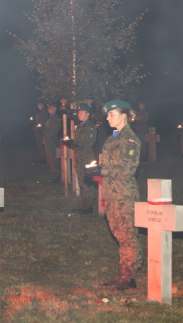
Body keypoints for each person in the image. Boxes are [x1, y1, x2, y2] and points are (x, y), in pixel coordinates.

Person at [87, 100, 141, 290]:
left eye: (112, 114)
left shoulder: (129, 139)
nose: (108, 118)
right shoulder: (112, 139)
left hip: (124, 195)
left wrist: (101, 170)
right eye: (107, 115)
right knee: (119, 234)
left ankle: (128, 276)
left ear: (124, 115)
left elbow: (127, 169)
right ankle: (125, 273)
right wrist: (97, 169)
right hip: (111, 193)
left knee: (127, 236)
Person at [69, 103, 97, 213]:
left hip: (86, 157)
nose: (79, 114)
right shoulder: (81, 126)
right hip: (79, 157)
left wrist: (73, 142)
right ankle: (84, 204)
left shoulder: (90, 127)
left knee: (87, 182)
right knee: (81, 181)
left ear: (87, 114)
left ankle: (88, 206)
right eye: (79, 112)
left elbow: (87, 143)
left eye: (81, 112)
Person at [43, 101, 62, 183]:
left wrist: (44, 131)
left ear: (54, 108)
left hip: (52, 141)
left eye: (50, 108)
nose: (48, 109)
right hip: (48, 140)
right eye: (47, 108)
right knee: (50, 159)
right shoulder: (50, 117)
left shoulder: (56, 118)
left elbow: (54, 130)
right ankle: (53, 175)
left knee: (53, 159)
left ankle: (56, 176)